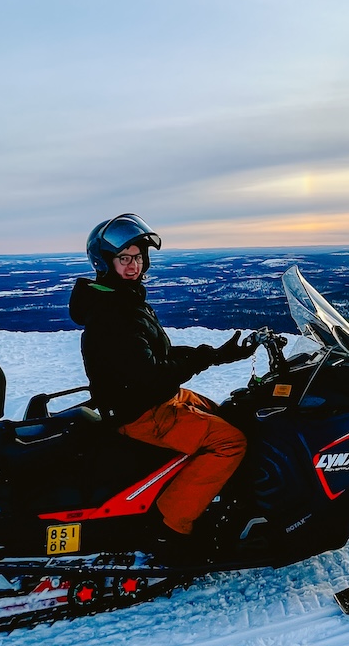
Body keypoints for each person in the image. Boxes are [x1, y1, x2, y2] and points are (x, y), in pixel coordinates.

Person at [68, 213, 256, 559]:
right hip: (144, 410)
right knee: (230, 442)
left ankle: (221, 497)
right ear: (105, 262)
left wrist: (218, 354)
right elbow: (151, 374)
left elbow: (159, 353)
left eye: (138, 256)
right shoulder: (112, 313)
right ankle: (171, 529)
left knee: (232, 412)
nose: (133, 265)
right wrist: (203, 360)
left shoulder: (123, 299)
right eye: (124, 258)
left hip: (154, 398)